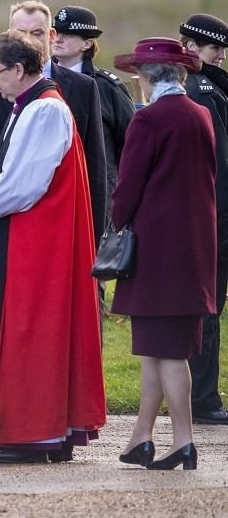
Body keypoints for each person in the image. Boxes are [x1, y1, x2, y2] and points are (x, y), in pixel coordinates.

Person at [0, 31, 106, 464]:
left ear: (20, 69)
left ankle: (32, 435)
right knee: (21, 331)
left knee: (29, 332)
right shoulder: (28, 107)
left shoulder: (45, 110)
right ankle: (32, 434)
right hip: (28, 236)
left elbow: (24, 182)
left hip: (39, 242)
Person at [110, 37, 216, 470]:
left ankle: (184, 441)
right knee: (156, 347)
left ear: (144, 77)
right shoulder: (200, 114)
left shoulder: (149, 118)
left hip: (156, 249)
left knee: (169, 351)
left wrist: (115, 221)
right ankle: (142, 437)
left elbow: (128, 185)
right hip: (194, 245)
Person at [0, 0, 108, 244]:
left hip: (50, 225)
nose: (28, 40)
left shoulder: (76, 90)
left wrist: (93, 237)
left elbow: (94, 168)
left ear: (51, 36)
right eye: (20, 33)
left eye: (37, 33)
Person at [52, 6, 137, 325]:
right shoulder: (39, 79)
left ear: (88, 43)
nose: (58, 38)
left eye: (68, 34)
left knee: (90, 285)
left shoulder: (106, 87)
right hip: (51, 196)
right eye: (56, 32)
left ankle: (92, 352)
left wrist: (117, 194)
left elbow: (131, 144)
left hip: (94, 196)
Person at [180, 13, 228, 425]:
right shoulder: (203, 91)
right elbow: (218, 165)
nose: (220, 56)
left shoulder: (209, 87)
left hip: (213, 216)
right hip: (215, 218)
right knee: (208, 311)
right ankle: (203, 398)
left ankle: (202, 395)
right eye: (215, 48)